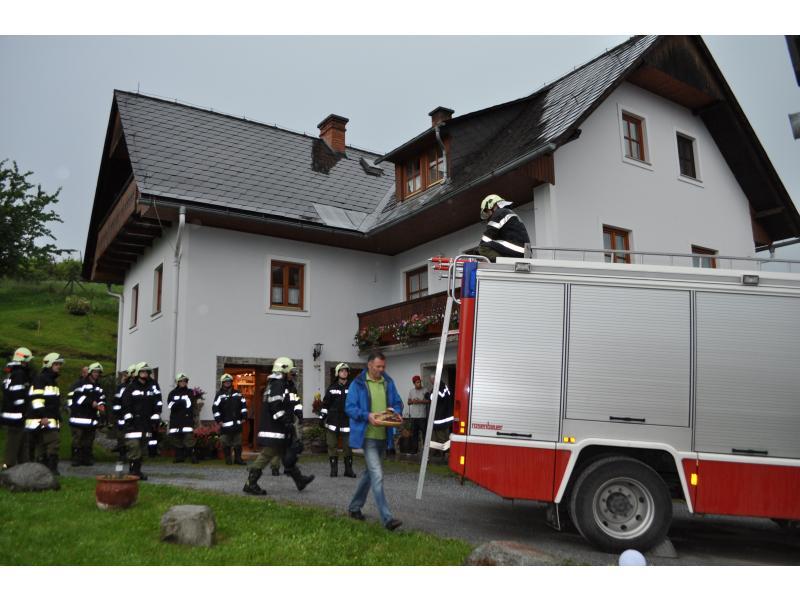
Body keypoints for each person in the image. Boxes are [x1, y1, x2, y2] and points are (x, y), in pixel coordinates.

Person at [345, 350, 404, 531]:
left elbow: (398, 402)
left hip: (383, 437)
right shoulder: (358, 384)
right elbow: (349, 408)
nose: (381, 369)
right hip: (367, 437)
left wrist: (395, 412)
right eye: (378, 366)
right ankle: (387, 519)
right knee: (377, 474)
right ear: (369, 365)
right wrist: (367, 415)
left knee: (369, 474)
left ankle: (354, 508)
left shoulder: (388, 382)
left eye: (383, 366)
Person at [243, 357, 314, 495]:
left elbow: (293, 402)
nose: (292, 374)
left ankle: (299, 480)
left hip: (279, 427)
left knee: (287, 454)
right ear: (283, 371)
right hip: (275, 428)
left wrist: (298, 413)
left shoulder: (281, 384)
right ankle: (250, 483)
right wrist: (286, 421)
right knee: (267, 454)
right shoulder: (278, 385)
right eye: (290, 371)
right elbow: (275, 406)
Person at [25, 352, 65, 475]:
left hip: (47, 419)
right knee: (53, 443)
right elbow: (36, 400)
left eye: (59, 364)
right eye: (56, 364)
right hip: (42, 419)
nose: (59, 366)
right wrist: (43, 416)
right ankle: (51, 470)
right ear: (49, 365)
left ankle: (42, 471)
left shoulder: (52, 381)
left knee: (42, 445)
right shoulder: (41, 379)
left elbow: (54, 404)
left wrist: (59, 419)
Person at [119, 362, 158, 480]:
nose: (145, 374)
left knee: (142, 449)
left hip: (146, 424)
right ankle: (133, 471)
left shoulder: (150, 389)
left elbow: (154, 404)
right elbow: (125, 405)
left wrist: (155, 417)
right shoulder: (130, 388)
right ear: (137, 373)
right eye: (142, 372)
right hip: (133, 425)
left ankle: (137, 471)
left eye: (146, 372)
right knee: (134, 447)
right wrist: (129, 419)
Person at [320, 362, 356, 478]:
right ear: (337, 373)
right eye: (342, 371)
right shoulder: (332, 388)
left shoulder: (353, 388)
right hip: (332, 422)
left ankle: (348, 470)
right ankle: (334, 470)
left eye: (346, 371)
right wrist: (322, 418)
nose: (344, 373)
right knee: (332, 445)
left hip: (347, 422)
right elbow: (325, 405)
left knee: (348, 446)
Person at [67, 362, 106, 466]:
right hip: (79, 417)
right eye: (95, 372)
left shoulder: (98, 386)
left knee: (89, 440)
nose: (96, 374)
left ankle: (86, 458)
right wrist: (91, 402)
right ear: (90, 373)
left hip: (91, 418)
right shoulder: (81, 384)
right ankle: (76, 459)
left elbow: (102, 397)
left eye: (98, 372)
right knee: (78, 439)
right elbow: (77, 398)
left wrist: (101, 405)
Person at [1, 347, 34, 469]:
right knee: (15, 440)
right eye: (27, 361)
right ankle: (9, 466)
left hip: (11, 413)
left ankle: (23, 465)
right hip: (17, 414)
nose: (28, 363)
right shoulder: (19, 374)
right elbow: (18, 395)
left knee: (22, 440)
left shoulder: (11, 373)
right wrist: (24, 410)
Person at [477, 193, 530, 261]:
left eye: (487, 211)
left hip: (518, 249)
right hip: (524, 251)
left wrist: (478, 255)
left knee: (483, 247)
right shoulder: (507, 212)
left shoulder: (499, 213)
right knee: (492, 243)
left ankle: (501, 262)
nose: (488, 216)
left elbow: (487, 237)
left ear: (493, 206)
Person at [213, 374, 248, 465]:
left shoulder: (238, 393)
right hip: (225, 424)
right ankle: (228, 459)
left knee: (238, 442)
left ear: (231, 382)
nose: (227, 383)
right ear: (222, 383)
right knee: (225, 442)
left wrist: (244, 416)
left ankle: (238, 459)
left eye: (229, 381)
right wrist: (218, 420)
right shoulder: (219, 395)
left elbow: (243, 405)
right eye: (225, 381)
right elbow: (215, 408)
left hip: (237, 423)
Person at [167, 373, 198, 464]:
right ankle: (179, 456)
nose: (183, 382)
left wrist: (177, 402)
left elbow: (189, 405)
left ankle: (192, 456)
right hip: (175, 419)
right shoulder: (172, 393)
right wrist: (182, 401)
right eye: (181, 381)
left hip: (187, 419)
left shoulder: (190, 392)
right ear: (177, 382)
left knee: (189, 438)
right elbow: (170, 405)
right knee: (176, 438)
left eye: (185, 381)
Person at [110, 364, 136, 456]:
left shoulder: (139, 387)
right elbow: (116, 401)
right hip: (122, 416)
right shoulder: (122, 387)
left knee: (133, 437)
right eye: (133, 373)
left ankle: (133, 455)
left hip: (135, 416)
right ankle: (122, 455)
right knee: (121, 436)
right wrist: (117, 414)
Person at [429, 374, 454, 459]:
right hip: (445, 417)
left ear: (434, 380)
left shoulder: (439, 387)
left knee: (441, 437)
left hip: (440, 418)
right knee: (446, 436)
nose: (431, 382)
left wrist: (428, 395)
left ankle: (444, 453)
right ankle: (445, 452)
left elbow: (435, 397)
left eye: (431, 380)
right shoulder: (444, 386)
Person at [406, 374, 429, 454]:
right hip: (414, 416)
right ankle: (414, 450)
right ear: (414, 383)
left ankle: (425, 450)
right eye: (417, 382)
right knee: (414, 434)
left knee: (424, 434)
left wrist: (420, 401)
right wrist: (412, 401)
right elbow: (408, 402)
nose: (419, 384)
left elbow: (428, 401)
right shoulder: (411, 391)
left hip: (422, 416)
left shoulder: (425, 390)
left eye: (419, 382)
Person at [146, 370, 163, 457]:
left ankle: (152, 452)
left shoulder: (153, 384)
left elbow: (158, 398)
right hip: (144, 412)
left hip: (153, 412)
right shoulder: (138, 383)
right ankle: (147, 451)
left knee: (153, 432)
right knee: (146, 432)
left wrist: (158, 411)